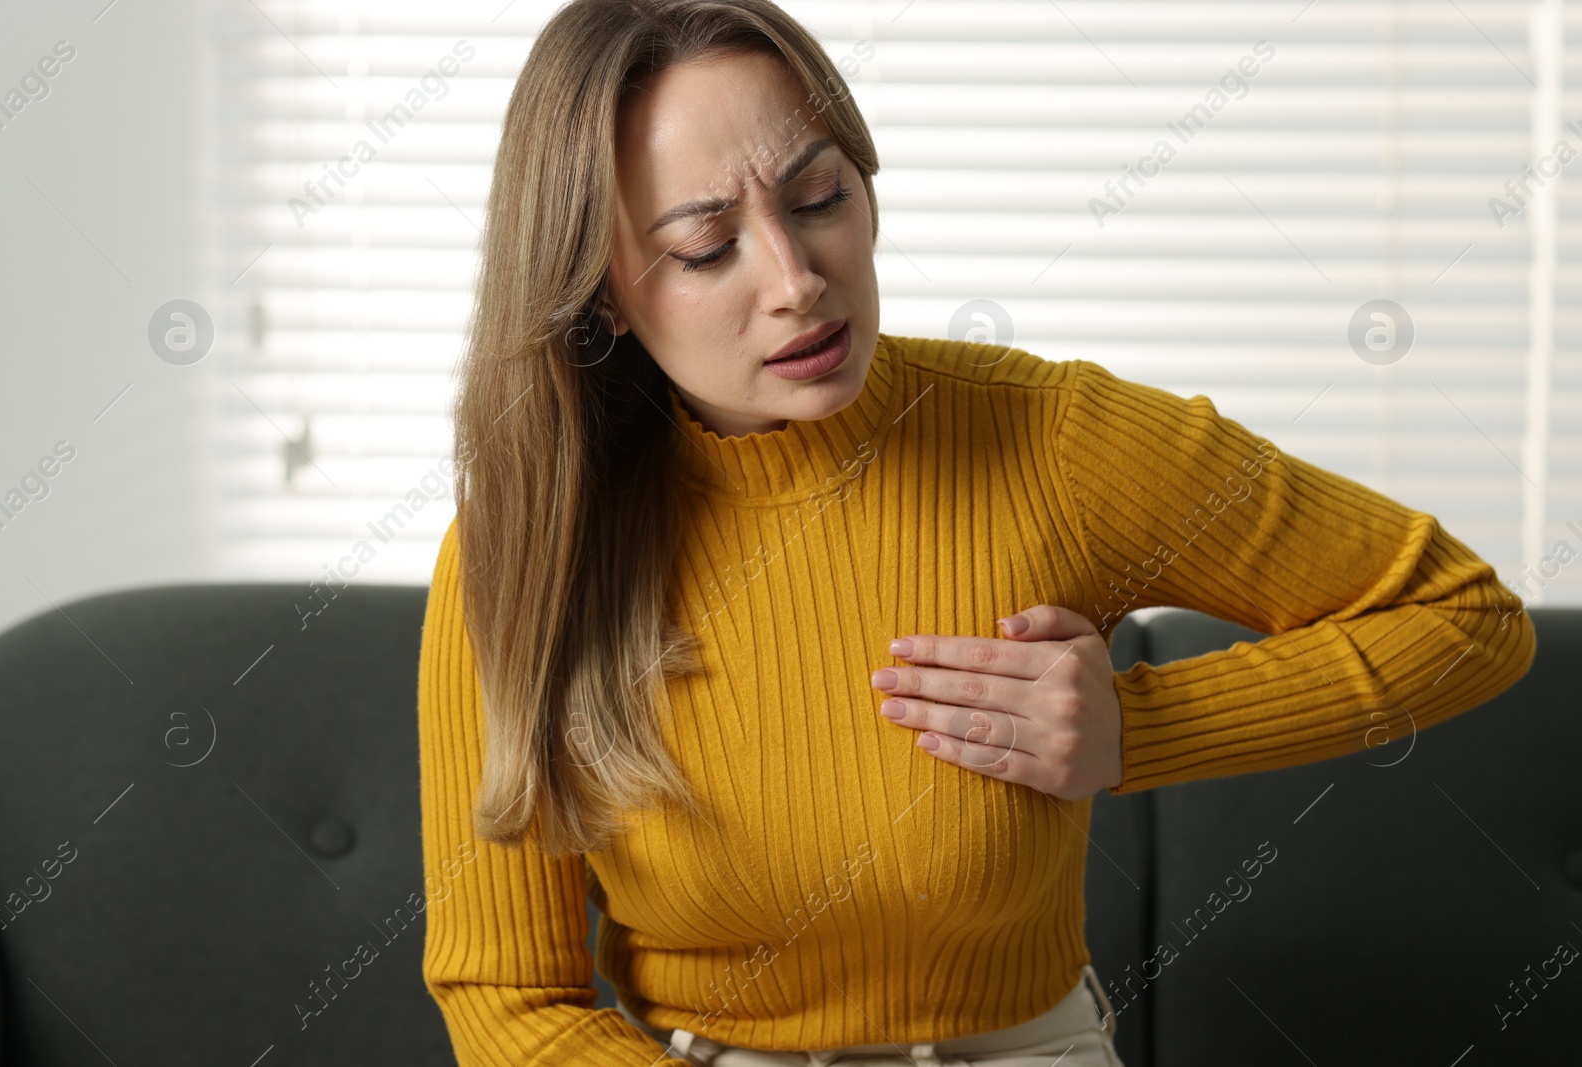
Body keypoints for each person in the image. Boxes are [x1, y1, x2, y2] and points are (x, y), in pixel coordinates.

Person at [416, 1, 1537, 1064]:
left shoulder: (1051, 439)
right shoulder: (521, 554)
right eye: (708, 248)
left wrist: (1135, 730)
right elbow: (508, 996)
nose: (799, 282)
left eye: (819, 198)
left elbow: (1466, 615)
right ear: (600, 291)